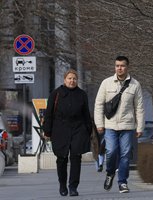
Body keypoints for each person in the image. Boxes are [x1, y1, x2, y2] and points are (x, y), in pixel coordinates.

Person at [94, 55, 145, 193]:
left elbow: (139, 107)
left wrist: (140, 127)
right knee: (111, 151)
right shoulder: (106, 83)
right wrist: (99, 123)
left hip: (128, 126)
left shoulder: (135, 85)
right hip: (110, 125)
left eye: (122, 66)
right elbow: (98, 104)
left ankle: (122, 182)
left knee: (125, 154)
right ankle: (110, 173)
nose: (119, 68)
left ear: (127, 67)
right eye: (117, 65)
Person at [43, 69, 92, 197]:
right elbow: (48, 114)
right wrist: (47, 131)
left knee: (76, 157)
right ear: (64, 80)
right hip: (60, 130)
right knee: (61, 158)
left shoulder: (82, 94)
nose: (72, 81)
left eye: (74, 78)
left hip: (78, 129)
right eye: (69, 78)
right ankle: (62, 184)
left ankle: (73, 187)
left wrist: (88, 130)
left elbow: (86, 114)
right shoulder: (56, 94)